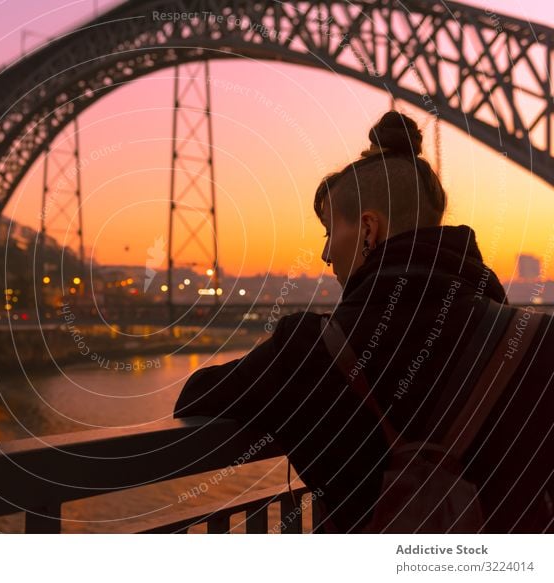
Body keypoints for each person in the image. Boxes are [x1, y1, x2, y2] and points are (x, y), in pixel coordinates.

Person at [173, 111, 554, 533]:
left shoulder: (310, 350)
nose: (326, 255)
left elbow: (195, 399)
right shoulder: (537, 341)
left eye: (329, 232)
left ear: (369, 230)